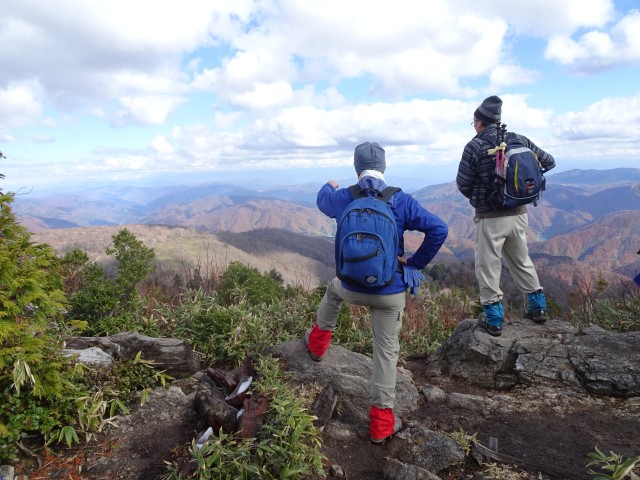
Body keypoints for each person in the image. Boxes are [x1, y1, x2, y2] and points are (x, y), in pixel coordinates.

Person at [304, 142, 448, 444]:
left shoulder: (344, 197)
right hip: (389, 292)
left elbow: (322, 201)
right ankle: (381, 425)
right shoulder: (401, 201)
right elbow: (439, 229)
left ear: (356, 168)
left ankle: (317, 346)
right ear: (383, 168)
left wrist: (327, 185)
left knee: (332, 290)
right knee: (385, 352)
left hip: (350, 287)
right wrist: (414, 263)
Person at [456, 95, 556, 337]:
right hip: (520, 213)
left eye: (474, 122)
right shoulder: (518, 139)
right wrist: (522, 186)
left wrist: (481, 197)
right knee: (521, 259)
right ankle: (538, 307)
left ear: (480, 122)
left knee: (488, 266)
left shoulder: (475, 145)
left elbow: (463, 183)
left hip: (490, 217)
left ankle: (493, 318)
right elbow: (549, 162)